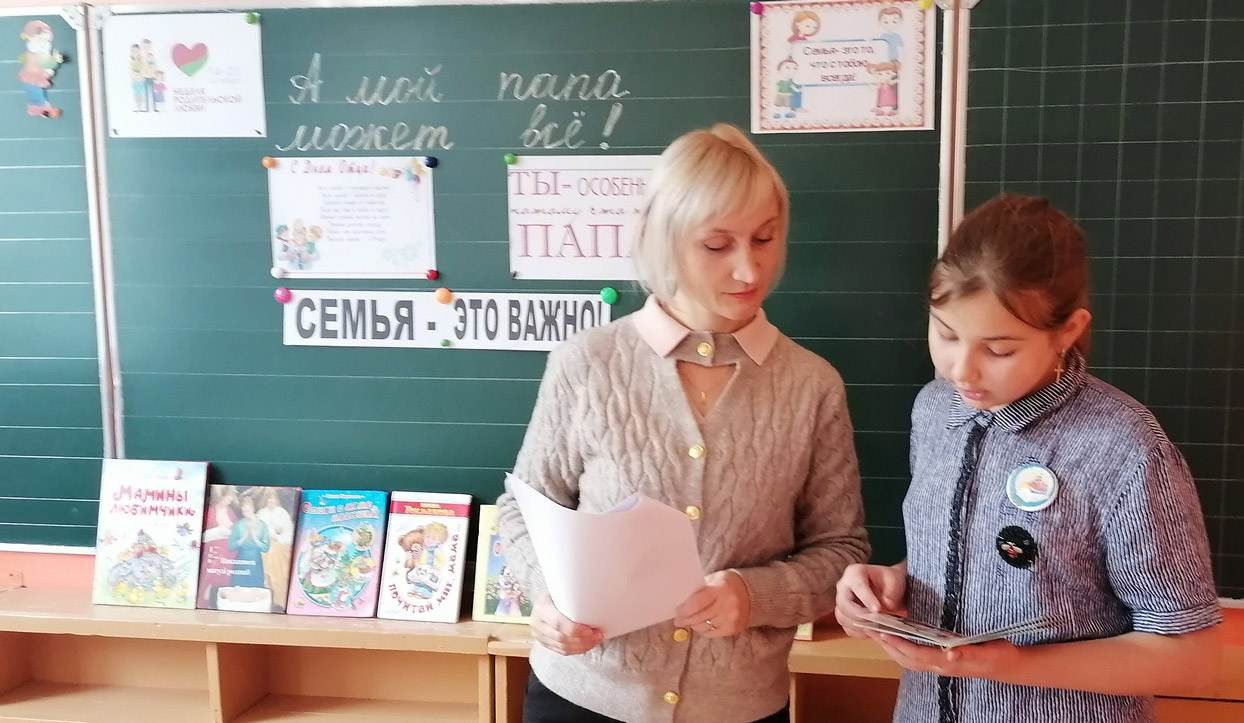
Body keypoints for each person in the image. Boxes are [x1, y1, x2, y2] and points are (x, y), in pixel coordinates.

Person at [496, 123, 870, 723]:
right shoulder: (587, 362)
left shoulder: (811, 385)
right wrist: (548, 596)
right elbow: (522, 507)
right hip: (582, 697)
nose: (749, 270)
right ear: (664, 240)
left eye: (765, 238)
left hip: (740, 705)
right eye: (717, 246)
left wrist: (754, 596)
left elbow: (840, 551)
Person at [835, 193, 1222, 722]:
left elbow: (1192, 658)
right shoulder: (936, 409)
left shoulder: (1123, 447)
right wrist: (898, 580)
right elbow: (990, 557)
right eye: (946, 333)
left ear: (1067, 331)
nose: (962, 370)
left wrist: (1012, 665)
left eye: (999, 349)